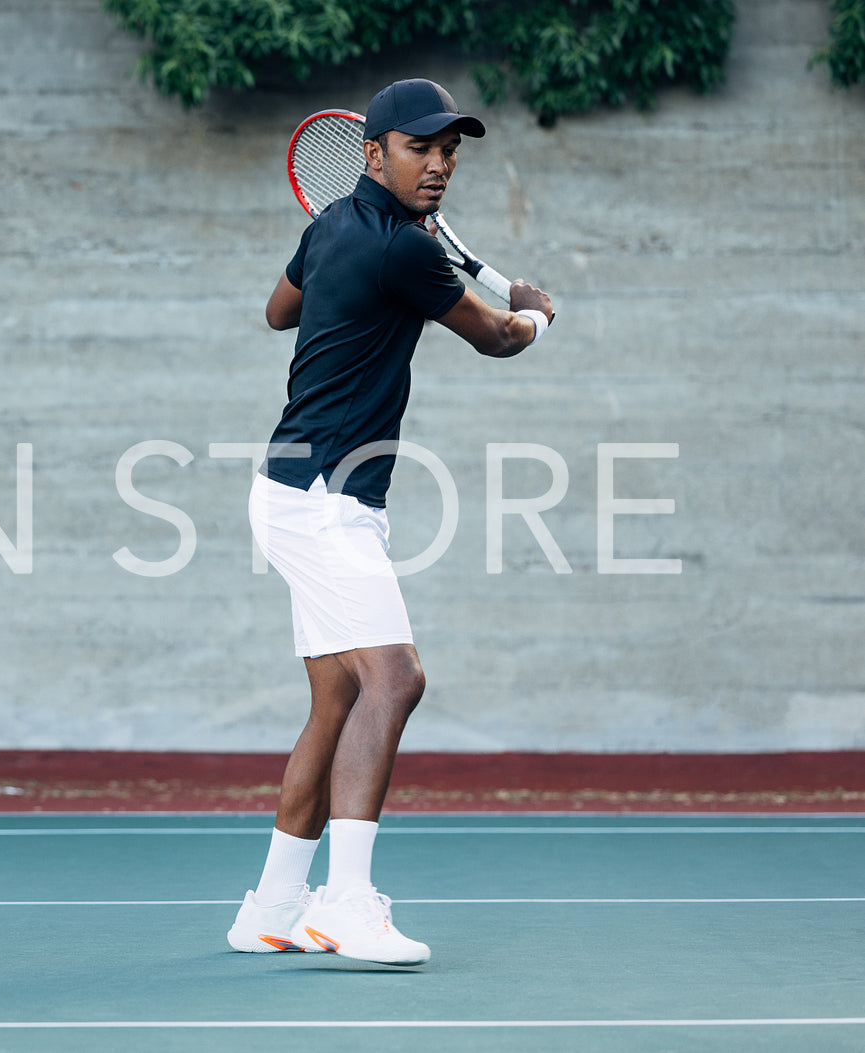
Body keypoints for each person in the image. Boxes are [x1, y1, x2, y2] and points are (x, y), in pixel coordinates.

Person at [227, 78, 555, 965]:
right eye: (420, 147)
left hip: (293, 492)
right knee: (396, 679)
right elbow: (493, 337)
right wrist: (532, 313)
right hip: (326, 500)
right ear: (373, 153)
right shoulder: (408, 253)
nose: (439, 162)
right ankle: (344, 904)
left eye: (450, 148)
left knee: (339, 694)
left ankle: (270, 905)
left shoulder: (331, 225)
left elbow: (277, 311)